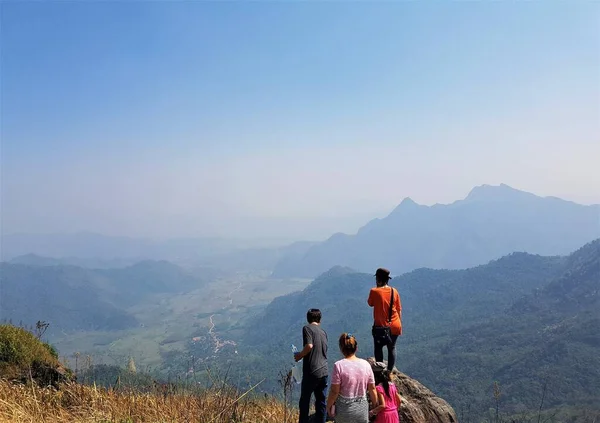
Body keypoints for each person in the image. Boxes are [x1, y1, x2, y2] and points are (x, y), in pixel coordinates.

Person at [326, 333, 378, 423]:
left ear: (341, 349)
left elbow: (335, 391)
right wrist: (375, 406)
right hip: (362, 410)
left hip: (344, 411)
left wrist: (328, 405)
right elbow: (372, 388)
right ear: (356, 348)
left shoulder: (339, 365)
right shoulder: (366, 364)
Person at [294, 308, 328, 423]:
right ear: (320, 319)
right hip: (324, 371)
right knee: (321, 401)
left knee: (304, 401)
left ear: (308, 319)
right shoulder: (323, 332)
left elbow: (309, 345)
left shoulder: (307, 328)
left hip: (312, 371)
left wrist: (299, 355)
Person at [368, 268, 402, 371]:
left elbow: (370, 303)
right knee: (391, 348)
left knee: (378, 347)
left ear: (378, 279)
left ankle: (380, 370)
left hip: (381, 326)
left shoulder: (374, 291)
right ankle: (389, 371)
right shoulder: (394, 291)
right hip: (395, 323)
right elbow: (399, 309)